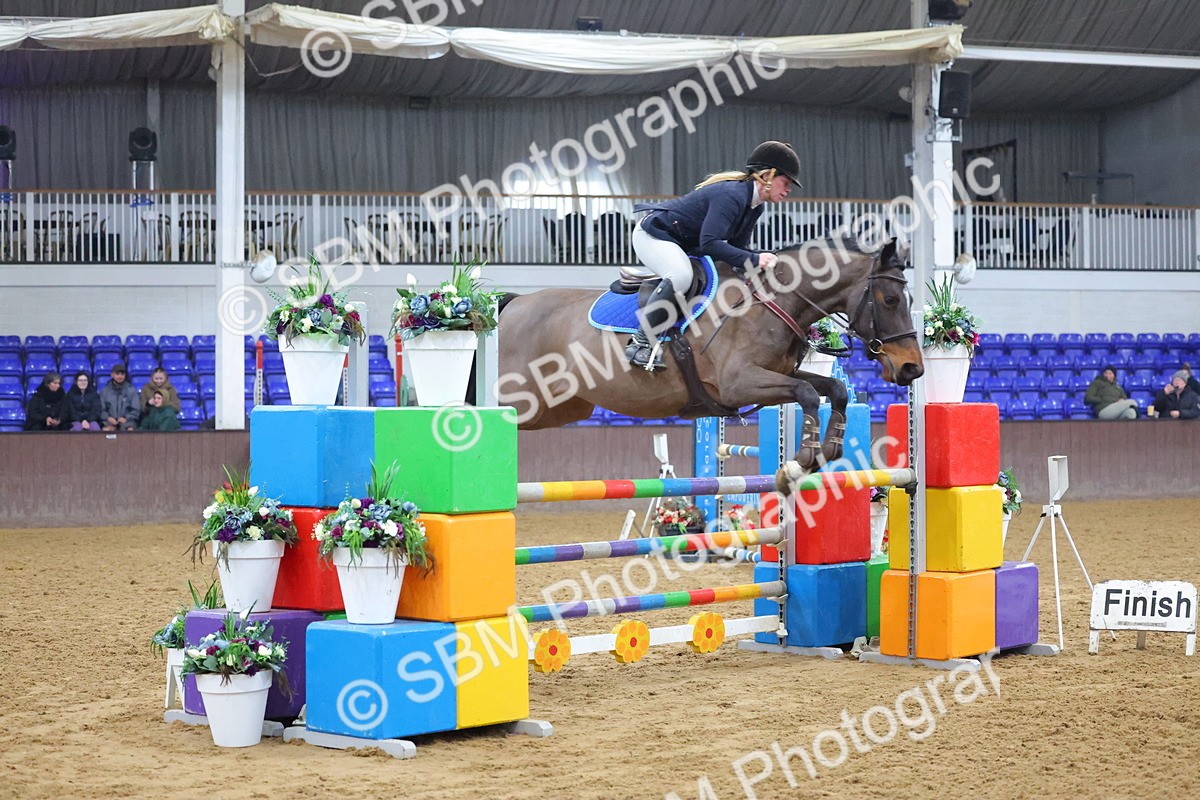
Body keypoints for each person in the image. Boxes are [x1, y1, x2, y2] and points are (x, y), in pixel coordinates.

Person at [625, 140, 801, 370]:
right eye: (785, 182)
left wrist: (764, 260)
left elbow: (738, 249)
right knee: (681, 276)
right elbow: (709, 244)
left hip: (683, 243)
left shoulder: (755, 206)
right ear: (767, 176)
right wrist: (756, 259)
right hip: (654, 235)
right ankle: (640, 342)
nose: (788, 189)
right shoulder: (731, 195)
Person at [100, 363, 140, 431]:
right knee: (106, 430)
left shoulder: (131, 390)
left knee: (130, 430)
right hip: (109, 422)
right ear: (112, 375)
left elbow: (136, 409)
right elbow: (101, 410)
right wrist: (108, 418)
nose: (120, 376)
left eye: (122, 374)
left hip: (128, 421)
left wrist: (126, 418)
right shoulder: (105, 391)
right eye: (117, 374)